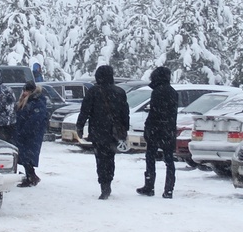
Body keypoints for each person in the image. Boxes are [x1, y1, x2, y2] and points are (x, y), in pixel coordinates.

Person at [75, 64, 129, 199]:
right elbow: (125, 113)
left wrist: (80, 126)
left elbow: (85, 111)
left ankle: (103, 184)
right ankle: (108, 181)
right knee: (110, 157)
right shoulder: (120, 92)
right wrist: (124, 129)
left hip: (98, 130)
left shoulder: (93, 91)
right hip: (113, 131)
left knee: (100, 158)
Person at [136, 66, 178, 199]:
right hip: (169, 130)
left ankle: (149, 186)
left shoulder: (157, 92)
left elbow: (154, 113)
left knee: (150, 158)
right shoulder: (173, 92)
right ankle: (169, 189)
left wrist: (148, 128)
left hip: (156, 130)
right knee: (169, 160)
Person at [13, 80, 49, 187]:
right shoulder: (30, 101)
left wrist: (25, 130)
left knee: (27, 157)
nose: (24, 93)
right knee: (25, 157)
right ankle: (31, 176)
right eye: (24, 90)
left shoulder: (37, 102)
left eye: (26, 91)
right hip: (25, 133)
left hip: (31, 135)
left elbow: (35, 119)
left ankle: (31, 177)